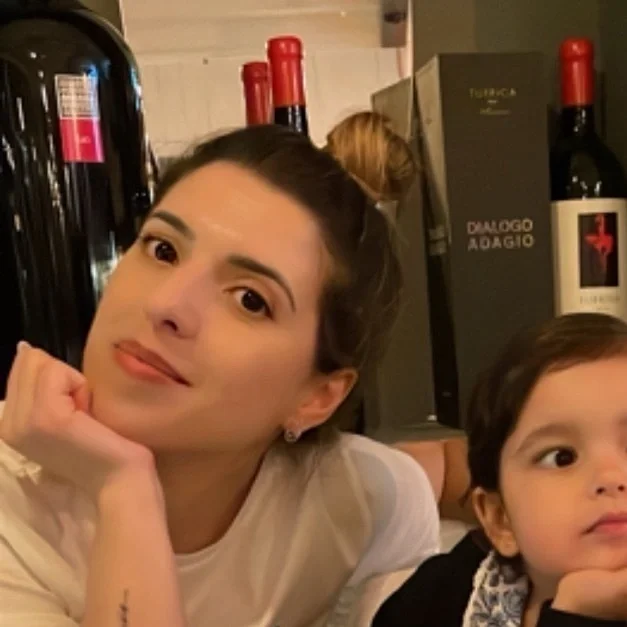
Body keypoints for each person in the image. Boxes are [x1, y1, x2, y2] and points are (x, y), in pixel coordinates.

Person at [0, 113, 443, 627]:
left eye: (250, 299)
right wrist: (126, 492)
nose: (166, 304)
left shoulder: (365, 505)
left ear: (318, 397)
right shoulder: (13, 505)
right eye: (163, 250)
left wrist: (125, 490)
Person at [373, 312, 627, 627]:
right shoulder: (438, 596)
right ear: (500, 519)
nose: (610, 478)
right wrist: (575, 611)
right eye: (561, 457)